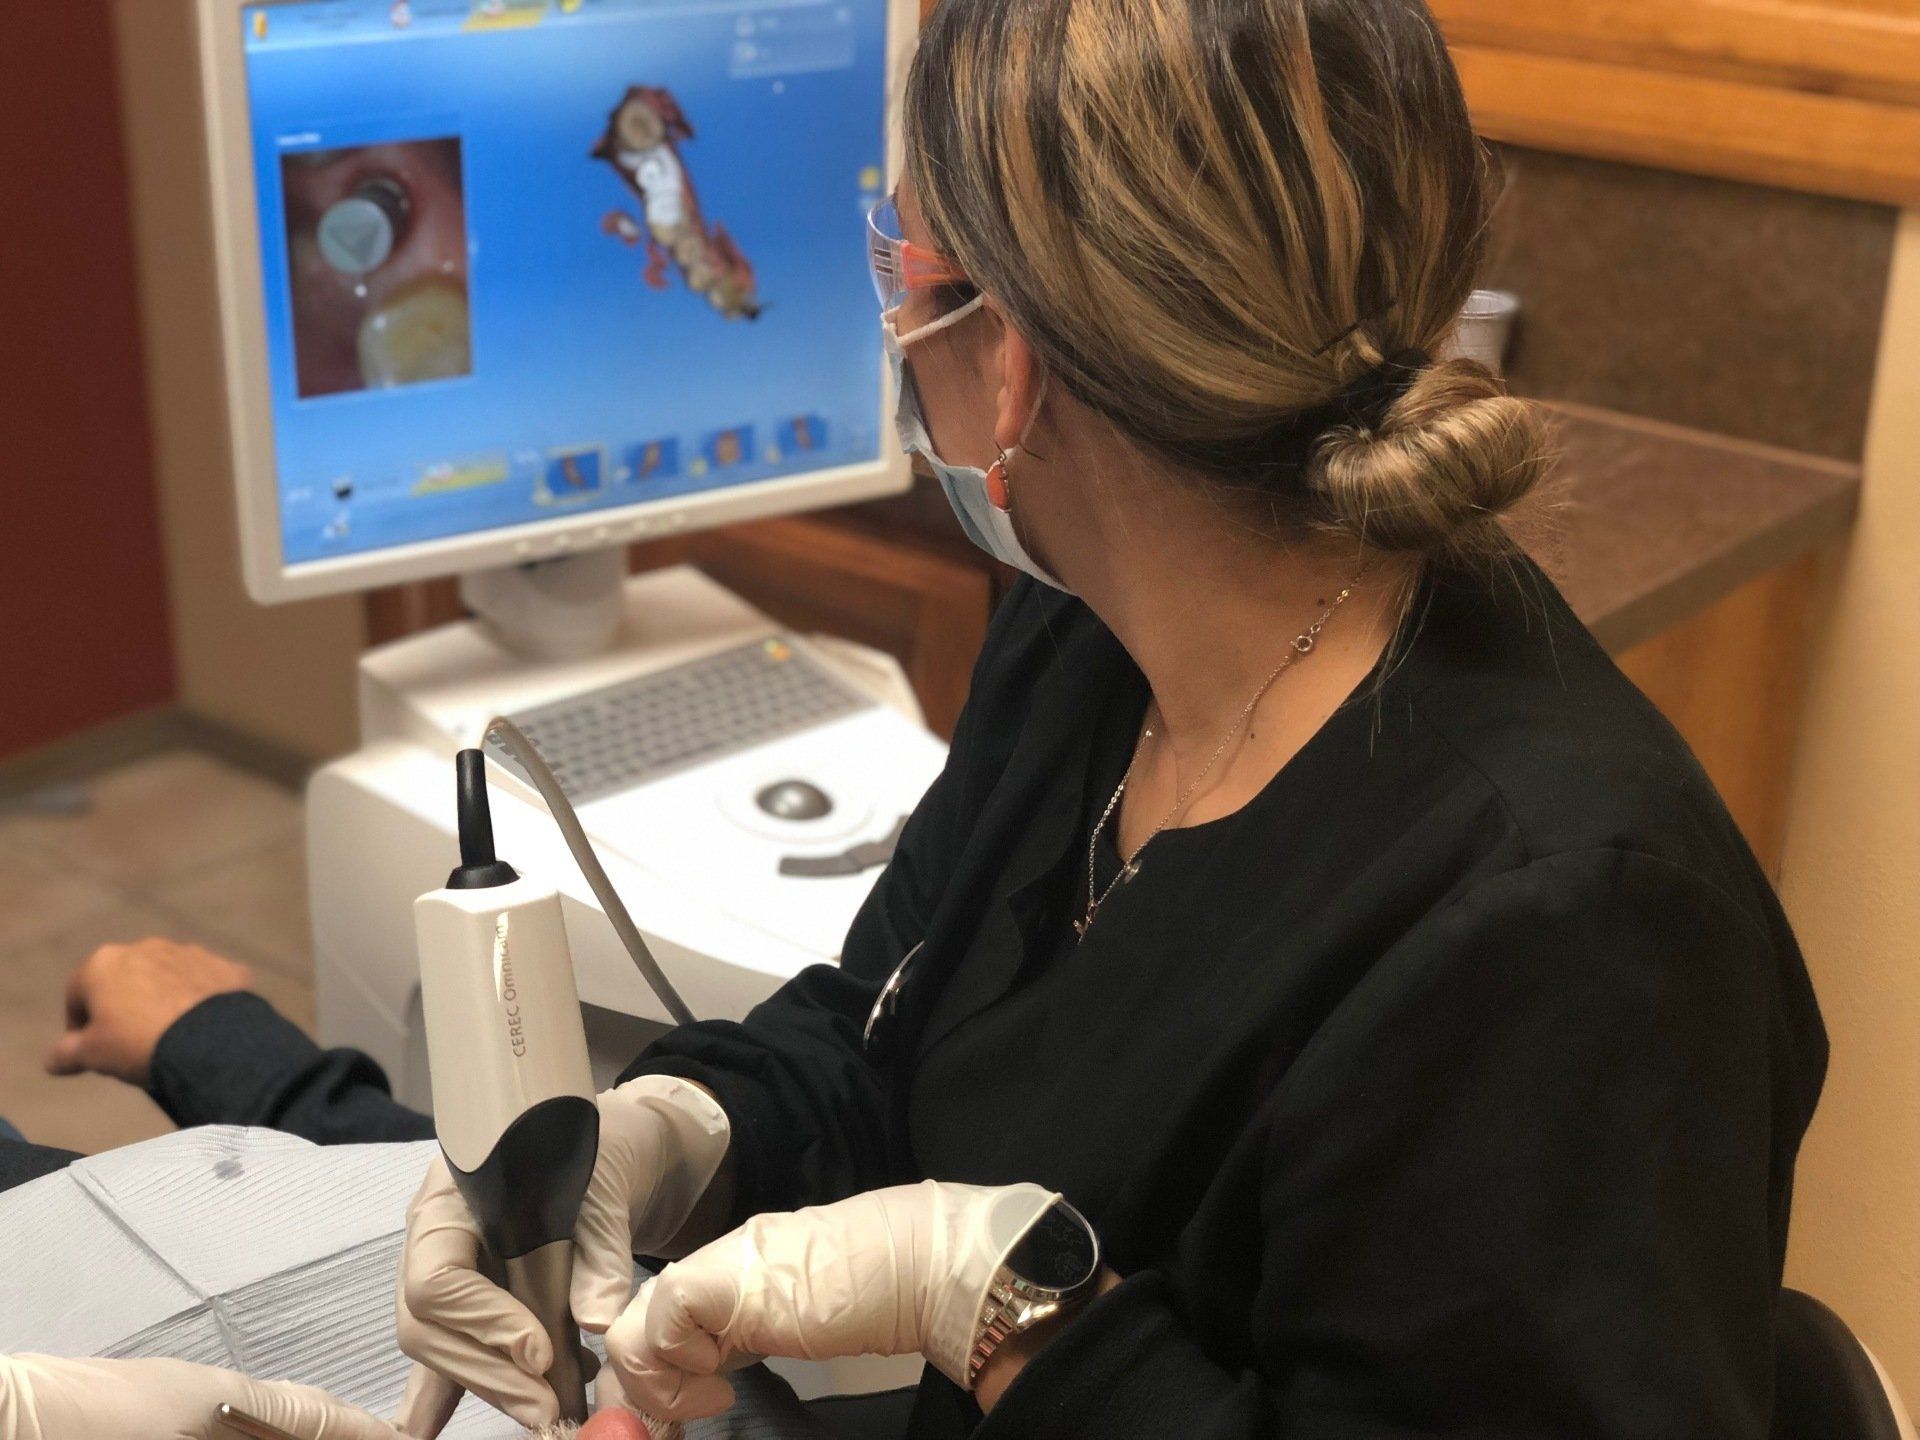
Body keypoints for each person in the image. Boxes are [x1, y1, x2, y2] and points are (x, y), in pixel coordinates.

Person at [382, 0, 1826, 1436]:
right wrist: (679, 1133)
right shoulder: (1097, 628)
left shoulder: (1570, 932)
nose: (892, 322)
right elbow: (897, 1016)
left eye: (903, 263)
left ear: (1007, 365)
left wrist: (1013, 1317)